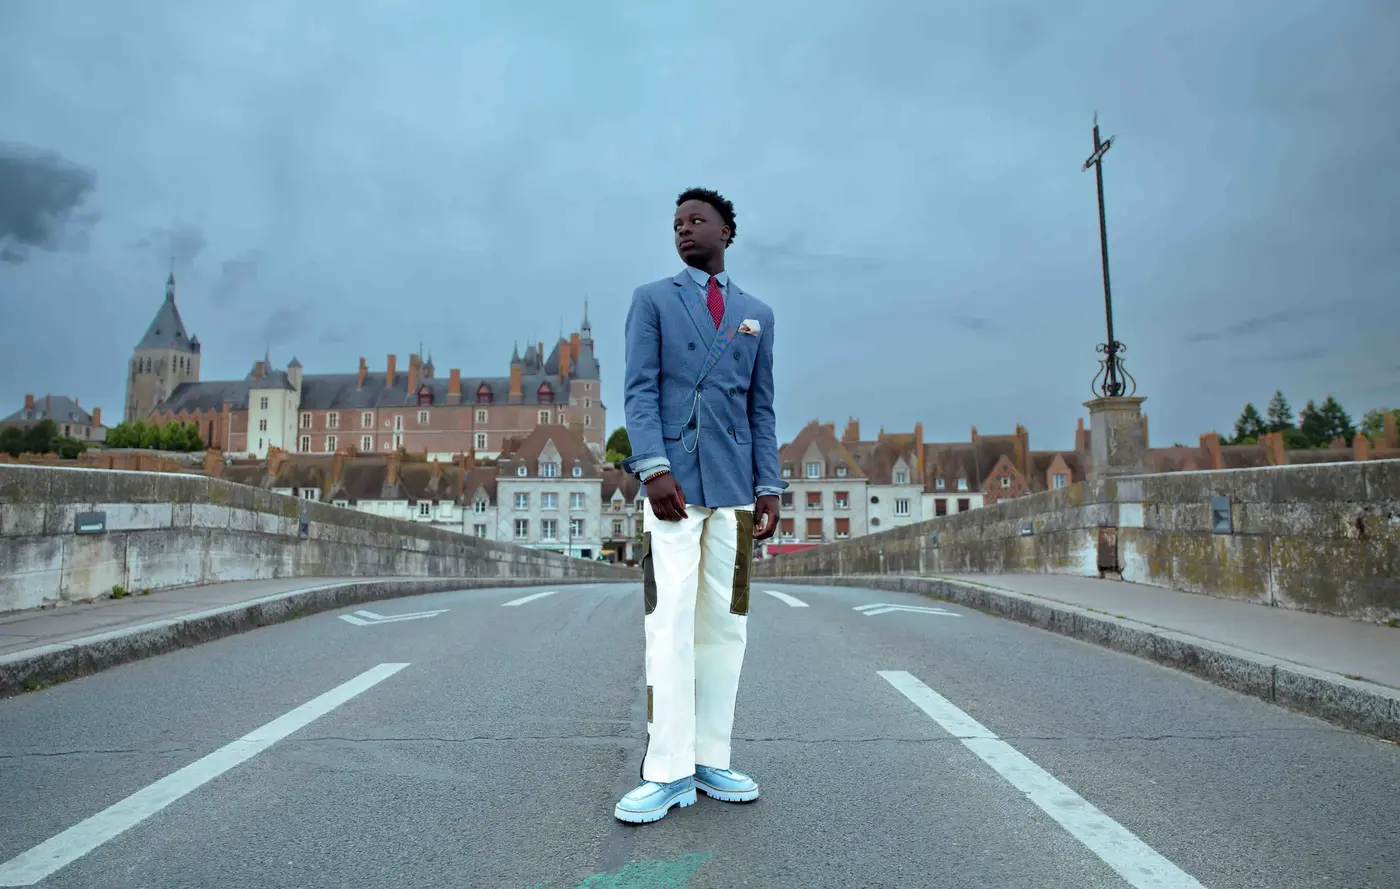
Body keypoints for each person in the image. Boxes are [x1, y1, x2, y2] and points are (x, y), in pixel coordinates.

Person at [615, 187, 785, 823]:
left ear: (727, 232)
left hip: (737, 492)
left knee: (728, 622)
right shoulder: (653, 300)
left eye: (698, 220)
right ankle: (667, 769)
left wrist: (770, 485)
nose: (685, 230)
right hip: (675, 491)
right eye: (678, 222)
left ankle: (713, 756)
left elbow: (760, 407)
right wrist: (652, 468)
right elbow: (639, 390)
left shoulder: (758, 314)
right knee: (669, 623)